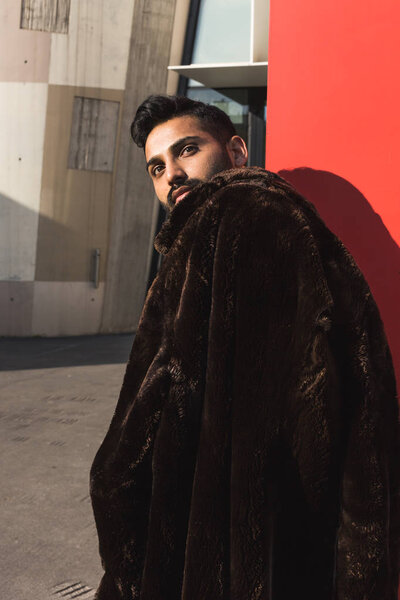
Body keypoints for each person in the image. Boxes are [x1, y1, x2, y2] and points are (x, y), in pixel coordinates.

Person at [90, 95, 400, 600]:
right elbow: (359, 406)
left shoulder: (232, 219)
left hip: (210, 553)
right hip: (288, 553)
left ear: (236, 151)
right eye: (156, 166)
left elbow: (152, 416)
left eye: (187, 149)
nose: (172, 175)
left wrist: (115, 497)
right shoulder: (293, 229)